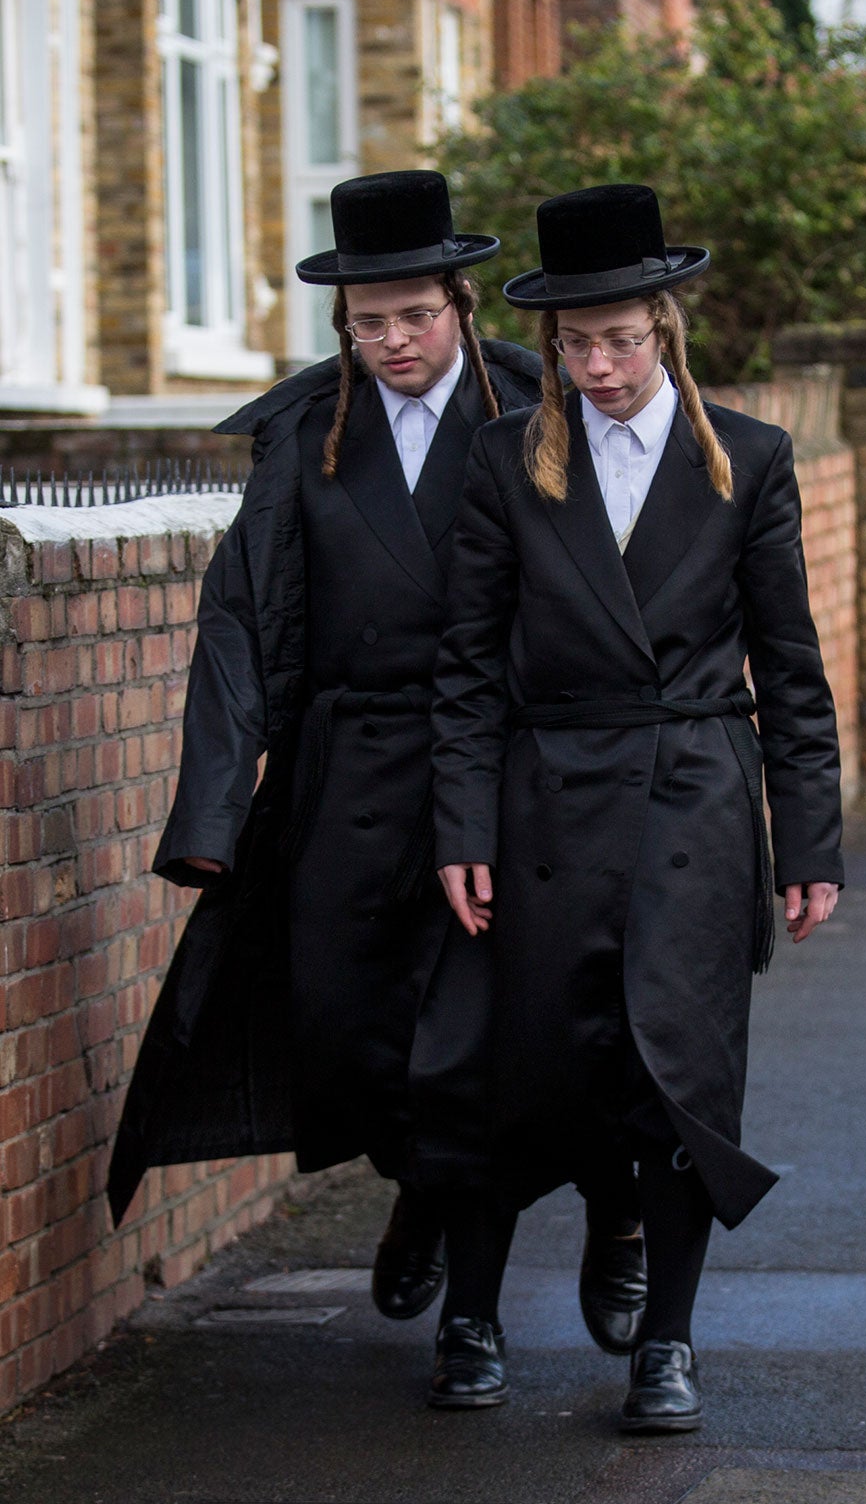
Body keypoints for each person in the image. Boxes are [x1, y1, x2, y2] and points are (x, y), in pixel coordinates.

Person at [106, 170, 645, 1409]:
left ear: (459, 301)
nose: (394, 342)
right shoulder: (305, 433)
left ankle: (502, 1282)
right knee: (348, 1031)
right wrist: (208, 816)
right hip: (346, 776)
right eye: (368, 322)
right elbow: (239, 616)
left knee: (491, 1039)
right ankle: (413, 1187)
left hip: (497, 772)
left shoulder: (535, 406)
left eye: (414, 315)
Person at [433, 184, 844, 1432]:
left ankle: (665, 1343)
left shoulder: (751, 458)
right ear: (551, 344)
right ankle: (471, 1314)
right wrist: (459, 829)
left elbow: (792, 662)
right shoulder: (505, 463)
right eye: (575, 344)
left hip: (694, 806)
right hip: (541, 807)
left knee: (683, 1079)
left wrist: (810, 839)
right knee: (509, 1070)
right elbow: (462, 666)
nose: (598, 366)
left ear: (663, 328)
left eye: (620, 339)